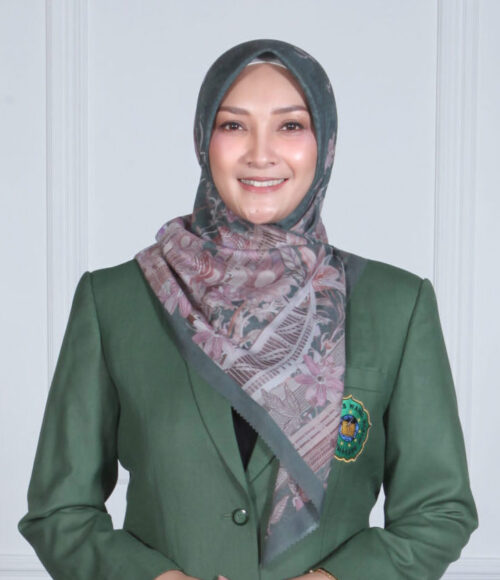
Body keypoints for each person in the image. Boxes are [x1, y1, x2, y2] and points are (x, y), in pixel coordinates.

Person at [18, 39, 478, 580]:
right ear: (203, 139)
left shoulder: (396, 304)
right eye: (234, 125)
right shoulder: (116, 300)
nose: (261, 154)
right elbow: (60, 512)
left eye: (290, 126)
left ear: (325, 143)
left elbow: (438, 511)